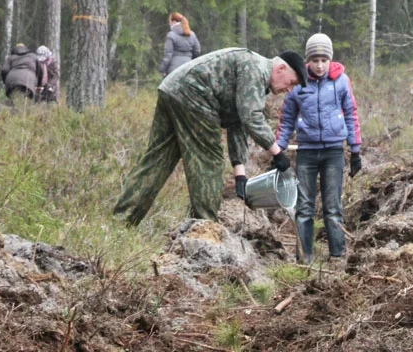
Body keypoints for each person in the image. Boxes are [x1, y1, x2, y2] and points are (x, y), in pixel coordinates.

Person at [113, 48, 307, 225]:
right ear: (281, 68)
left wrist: (240, 174)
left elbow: (237, 122)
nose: (289, 90)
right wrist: (277, 152)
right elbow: (251, 118)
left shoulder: (255, 73)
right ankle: (205, 227)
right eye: (292, 83)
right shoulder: (256, 68)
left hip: (172, 90)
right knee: (209, 162)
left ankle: (121, 221)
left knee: (157, 160)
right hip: (193, 96)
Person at [276, 33, 362, 265]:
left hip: (334, 151)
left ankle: (337, 255)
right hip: (306, 152)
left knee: (332, 205)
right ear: (308, 61)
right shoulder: (297, 84)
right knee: (304, 206)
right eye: (315, 60)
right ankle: (304, 257)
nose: (320, 65)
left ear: (330, 60)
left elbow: (351, 114)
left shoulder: (342, 81)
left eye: (324, 60)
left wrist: (355, 150)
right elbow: (285, 120)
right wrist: (278, 149)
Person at [159, 12, 201, 78]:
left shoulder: (171, 35)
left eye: (169, 22)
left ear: (174, 22)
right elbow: (197, 51)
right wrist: (190, 60)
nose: (169, 24)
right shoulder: (192, 34)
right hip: (188, 68)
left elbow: (168, 55)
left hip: (173, 70)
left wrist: (163, 70)